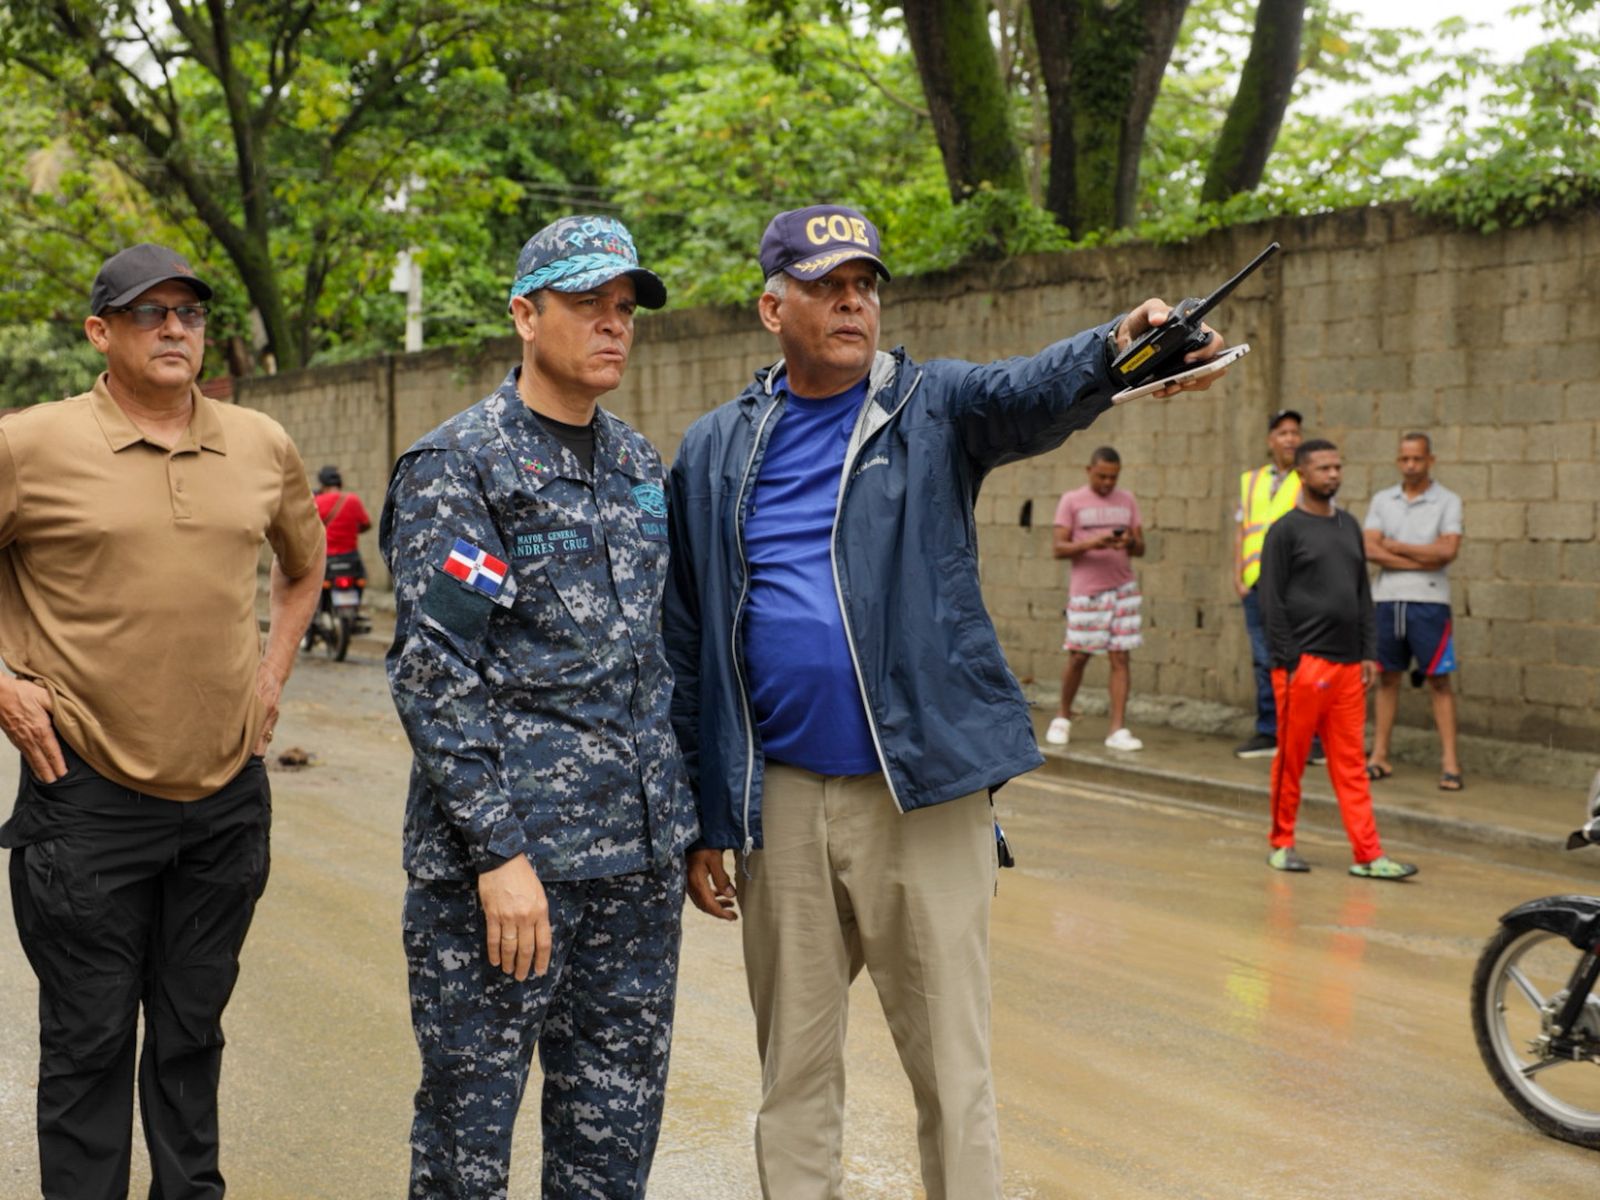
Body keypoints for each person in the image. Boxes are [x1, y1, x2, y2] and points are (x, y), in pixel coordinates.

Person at [664, 203, 1229, 1199]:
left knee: (953, 1074)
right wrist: (703, 816)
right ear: (770, 306)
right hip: (779, 799)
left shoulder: (932, 409)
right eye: (826, 285)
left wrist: (1117, 349)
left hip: (919, 791)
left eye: (865, 285)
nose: (852, 301)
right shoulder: (714, 450)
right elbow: (687, 636)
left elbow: (1034, 390)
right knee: (791, 1075)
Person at [380, 215, 697, 1200]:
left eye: (624, 306)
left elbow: (660, 658)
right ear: (525, 314)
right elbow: (435, 674)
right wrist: (499, 857)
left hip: (634, 874)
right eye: (588, 303)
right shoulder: (463, 466)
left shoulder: (640, 467)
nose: (614, 324)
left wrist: (690, 823)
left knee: (612, 1148)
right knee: (467, 1149)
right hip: (510, 877)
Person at [0, 243, 326, 1199]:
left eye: (189, 311)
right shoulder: (30, 444)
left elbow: (302, 566)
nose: (176, 327)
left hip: (225, 801)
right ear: (101, 334)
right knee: (90, 1044)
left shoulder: (259, 442)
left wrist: (271, 675)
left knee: (192, 1037)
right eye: (151, 313)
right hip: (85, 795)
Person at [1257, 438, 1417, 880]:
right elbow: (1270, 600)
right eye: (1324, 468)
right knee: (1290, 760)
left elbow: (1362, 594)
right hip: (1301, 666)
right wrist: (1287, 660)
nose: (1333, 475)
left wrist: (1368, 652)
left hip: (1349, 669)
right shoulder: (1285, 530)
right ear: (1302, 475)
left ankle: (1368, 854)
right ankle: (1281, 843)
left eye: (1337, 467)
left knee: (1351, 766)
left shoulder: (1348, 525)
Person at [1362, 432, 1464, 790]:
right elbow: (1369, 549)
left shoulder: (1448, 501)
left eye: (1417, 459)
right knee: (1386, 677)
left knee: (1439, 680)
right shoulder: (1382, 500)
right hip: (1387, 601)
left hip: (1430, 603)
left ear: (1429, 460)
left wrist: (1395, 546)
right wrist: (1421, 556)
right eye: (1404, 459)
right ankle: (1379, 756)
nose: (1410, 466)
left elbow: (1446, 552)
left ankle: (1450, 763)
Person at [1047, 445, 1146, 750]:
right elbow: (1058, 548)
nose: (1107, 483)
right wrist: (1095, 542)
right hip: (1086, 593)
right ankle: (1062, 716)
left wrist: (1129, 541)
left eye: (1113, 478)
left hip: (1123, 590)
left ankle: (1117, 729)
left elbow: (1142, 547)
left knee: (1120, 657)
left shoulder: (1127, 500)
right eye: (1102, 476)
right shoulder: (1071, 501)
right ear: (1089, 471)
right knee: (1078, 655)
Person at [1233, 408, 1304, 758]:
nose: (1290, 438)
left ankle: (1303, 735)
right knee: (1263, 658)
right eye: (1283, 433)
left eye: (1295, 432)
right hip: (1256, 584)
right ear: (1270, 441)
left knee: (1298, 659)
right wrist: (1238, 576)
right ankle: (1268, 731)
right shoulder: (1252, 481)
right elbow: (1242, 529)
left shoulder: (1308, 480)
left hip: (1294, 587)